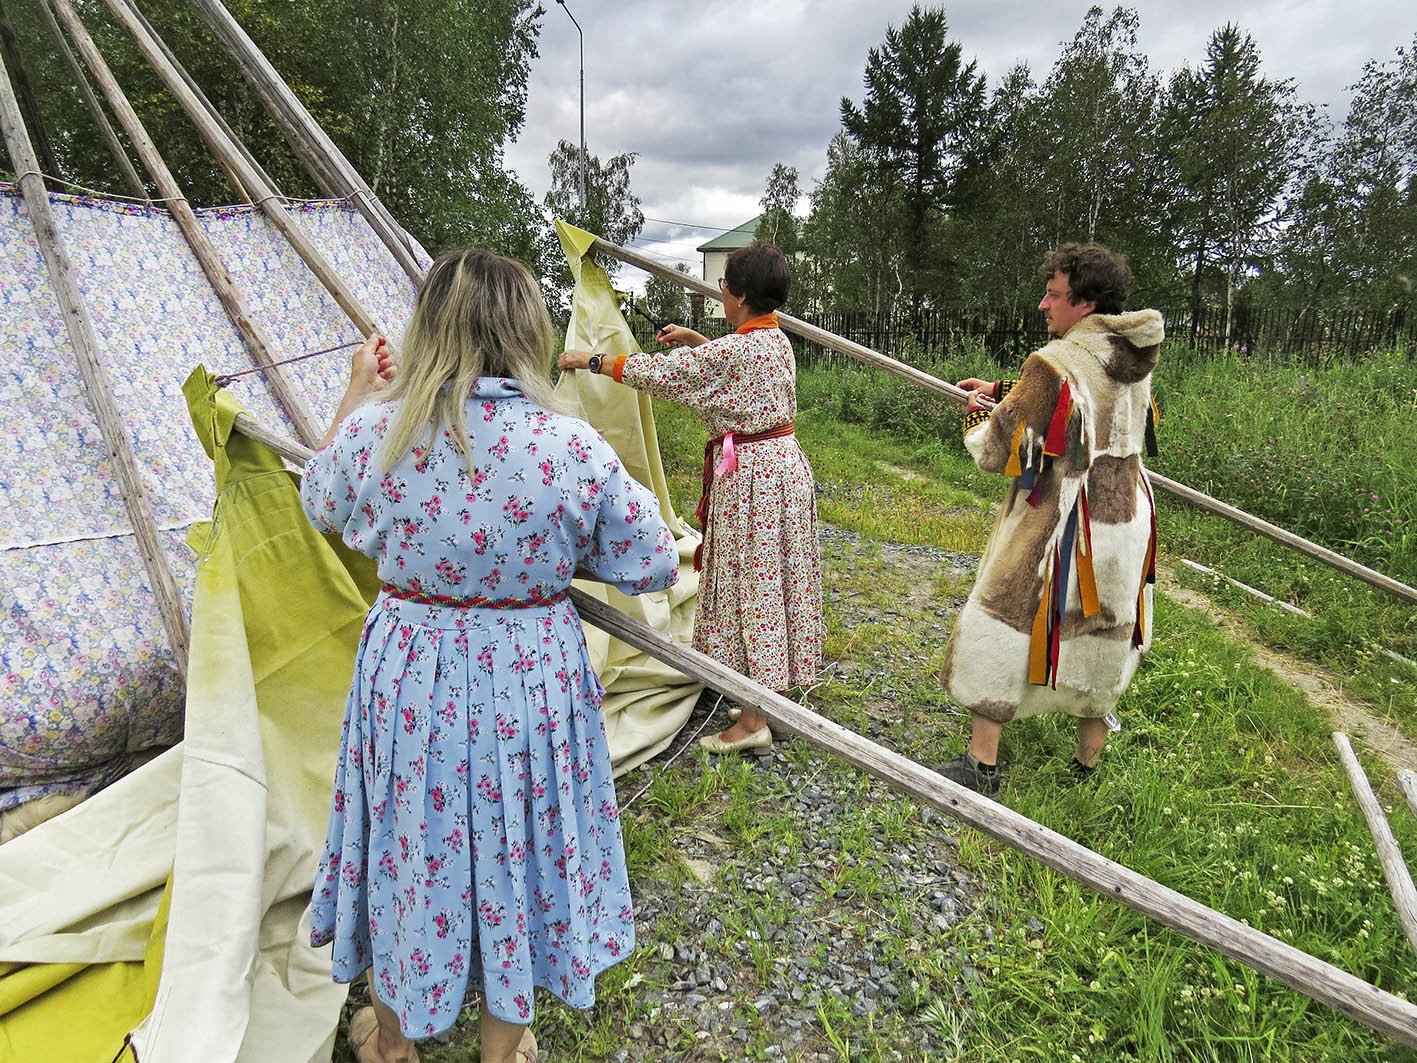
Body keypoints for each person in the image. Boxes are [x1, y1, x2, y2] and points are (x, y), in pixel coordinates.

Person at [299, 250, 679, 1063]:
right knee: (528, 841)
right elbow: (649, 557)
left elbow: (320, 499)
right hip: (529, 676)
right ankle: (501, 1049)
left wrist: (356, 393)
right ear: (527, 331)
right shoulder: (567, 448)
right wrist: (545, 549)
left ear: (428, 328)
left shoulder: (381, 432)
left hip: (410, 676)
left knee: (408, 839)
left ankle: (391, 1043)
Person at [558, 242, 823, 756]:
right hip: (781, 469)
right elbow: (729, 370)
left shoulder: (735, 352)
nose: (721, 293)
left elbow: (667, 375)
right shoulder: (775, 342)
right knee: (772, 580)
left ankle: (753, 722)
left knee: (753, 588)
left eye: (724, 286)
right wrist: (697, 339)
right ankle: (765, 701)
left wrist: (592, 359)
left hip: (754, 481)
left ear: (739, 295)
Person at [937, 243, 1162, 796]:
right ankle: (1087, 764)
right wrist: (999, 390)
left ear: (1084, 303)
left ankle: (980, 764)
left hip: (1061, 524)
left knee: (1004, 615)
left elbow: (999, 449)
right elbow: (1088, 403)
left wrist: (978, 415)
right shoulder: (1133, 355)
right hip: (1125, 518)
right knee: (1104, 628)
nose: (1044, 305)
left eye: (1054, 295)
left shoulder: (1051, 363)